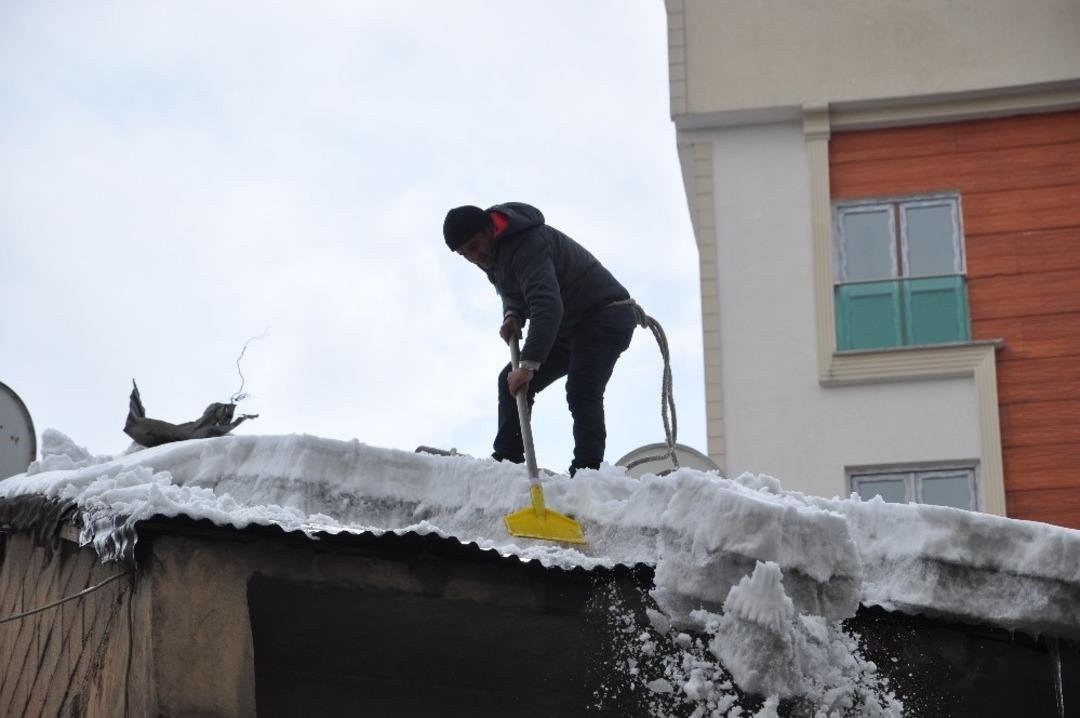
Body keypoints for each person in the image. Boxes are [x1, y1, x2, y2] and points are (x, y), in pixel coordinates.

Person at [443, 202, 636, 476]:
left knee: (582, 389)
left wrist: (529, 365)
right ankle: (507, 462)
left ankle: (587, 472)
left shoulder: (526, 243)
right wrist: (512, 314)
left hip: (604, 315)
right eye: (465, 254)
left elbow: (546, 304)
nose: (474, 257)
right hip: (569, 326)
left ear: (490, 229)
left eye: (475, 246)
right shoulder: (492, 255)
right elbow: (515, 291)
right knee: (508, 380)